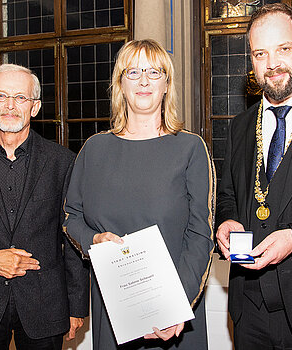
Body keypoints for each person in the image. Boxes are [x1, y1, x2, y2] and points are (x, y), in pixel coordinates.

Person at [63, 39, 215, 350]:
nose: (143, 81)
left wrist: (176, 305)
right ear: (120, 83)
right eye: (133, 72)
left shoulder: (190, 148)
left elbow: (201, 234)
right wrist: (93, 239)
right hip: (113, 314)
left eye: (154, 72)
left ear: (166, 84)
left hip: (174, 318)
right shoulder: (94, 149)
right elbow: (71, 217)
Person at [216, 3, 292, 349]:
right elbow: (230, 196)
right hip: (249, 313)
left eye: (283, 49)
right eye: (260, 53)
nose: (272, 64)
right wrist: (227, 221)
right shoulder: (240, 127)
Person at [0, 64, 89, 349]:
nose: (10, 106)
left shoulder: (63, 162)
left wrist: (76, 305)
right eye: (1, 96)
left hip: (45, 305)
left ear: (34, 107)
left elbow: (72, 235)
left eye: (20, 98)